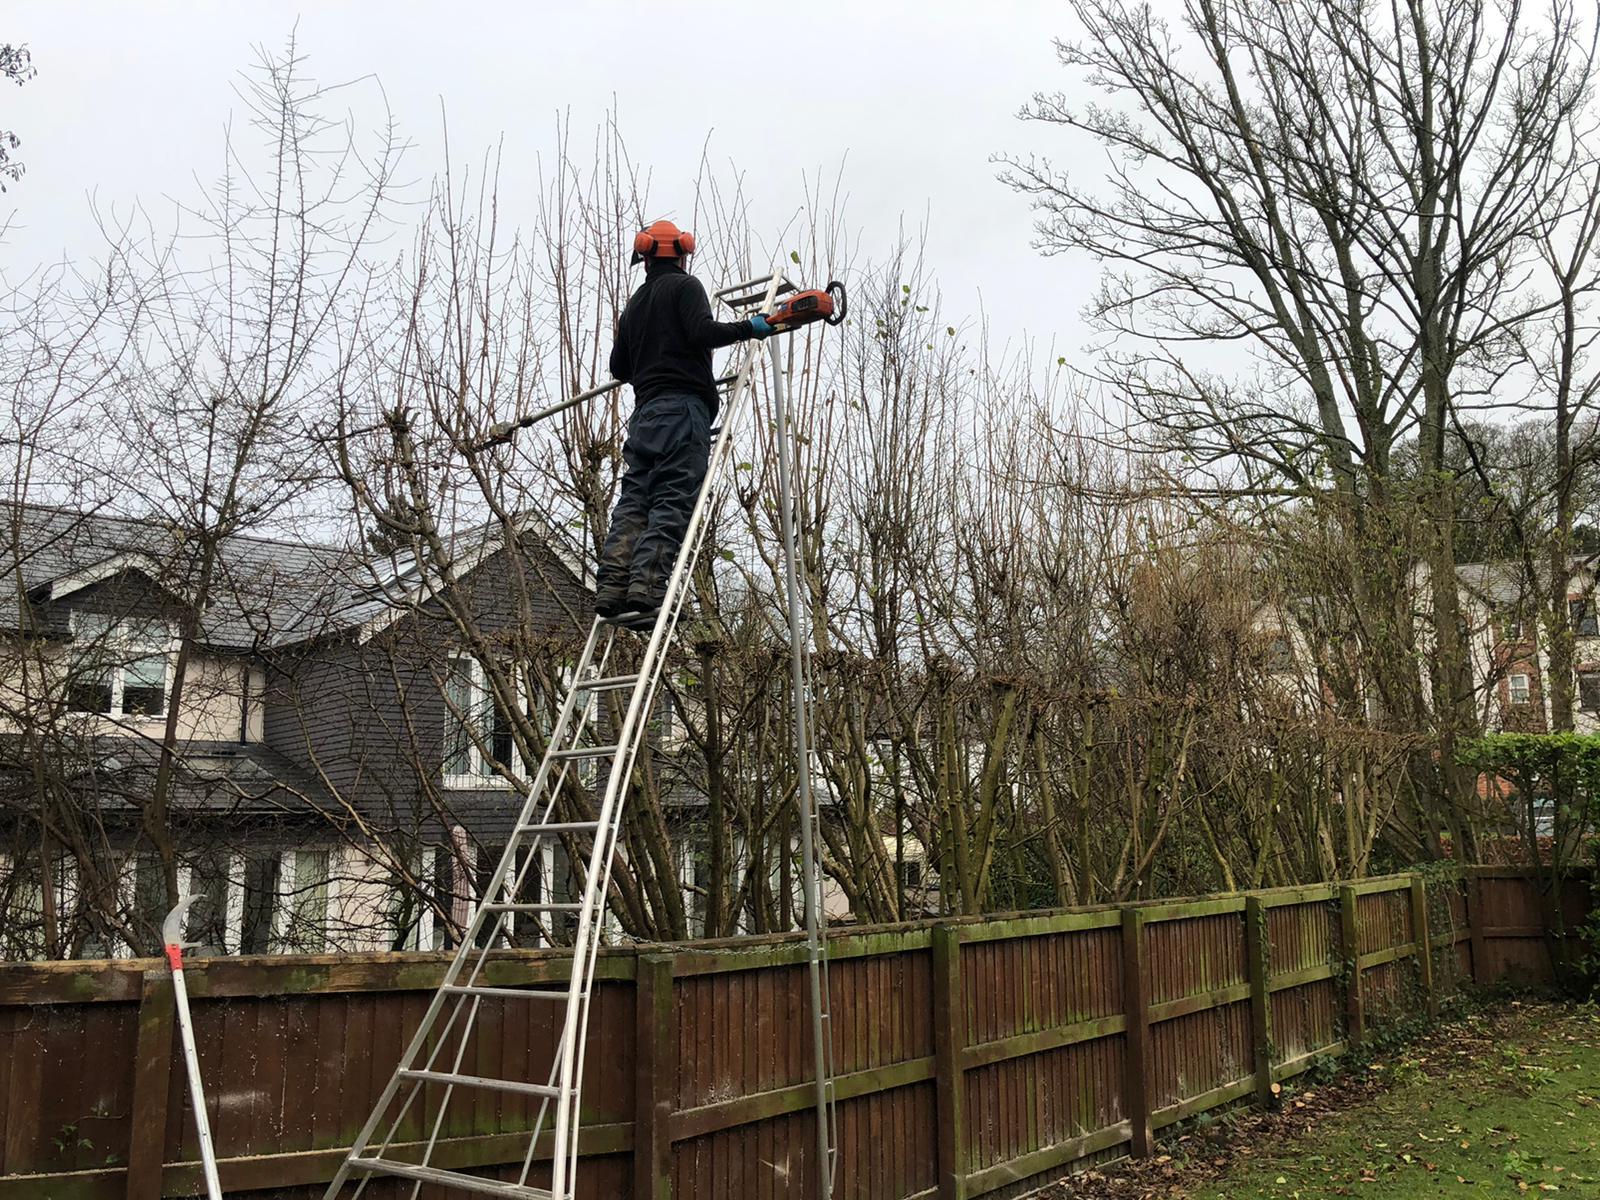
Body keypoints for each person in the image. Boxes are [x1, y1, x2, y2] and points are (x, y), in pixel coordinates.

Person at [596, 219, 773, 626]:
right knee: (672, 497)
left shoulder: (634, 305)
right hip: (683, 410)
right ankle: (647, 589)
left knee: (634, 501)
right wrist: (749, 327)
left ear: (644, 256)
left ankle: (612, 586)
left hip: (645, 417)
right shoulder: (685, 287)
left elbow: (619, 367)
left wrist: (651, 354)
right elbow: (701, 332)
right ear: (681, 252)